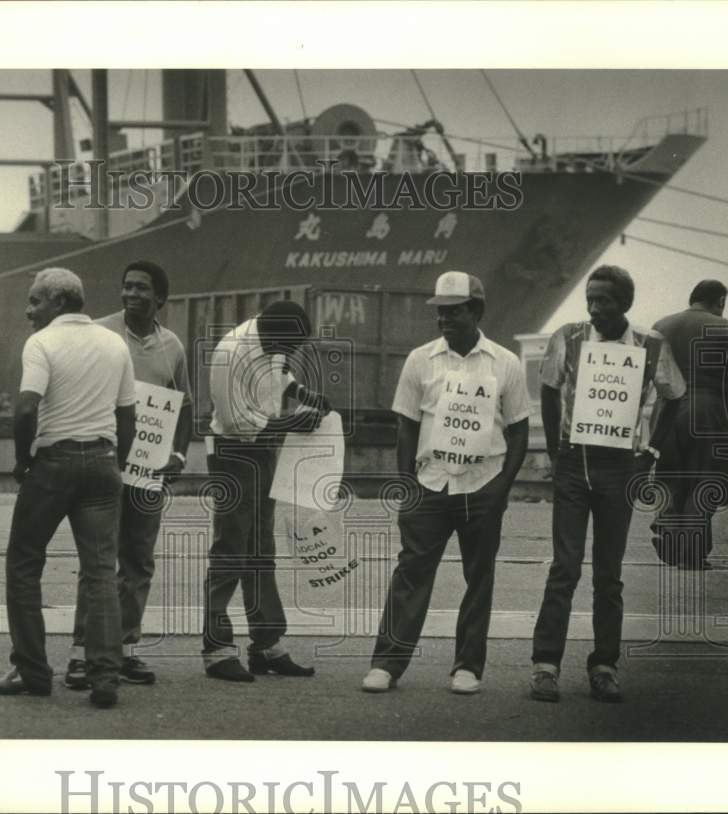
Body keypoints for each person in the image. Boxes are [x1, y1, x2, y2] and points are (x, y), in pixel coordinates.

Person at [362, 271, 530, 695]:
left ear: (476, 311)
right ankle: (387, 663)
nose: (442, 319)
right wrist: (406, 484)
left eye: (452, 312)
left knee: (479, 577)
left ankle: (467, 667)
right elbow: (405, 426)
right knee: (411, 574)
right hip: (431, 484)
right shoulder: (421, 359)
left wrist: (501, 488)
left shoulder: (505, 363)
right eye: (439, 312)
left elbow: (519, 431)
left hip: (482, 483)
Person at [0, 268, 136, 709]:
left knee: (25, 564)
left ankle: (33, 671)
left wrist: (25, 459)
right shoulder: (114, 343)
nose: (29, 311)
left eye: (34, 301)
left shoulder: (43, 343)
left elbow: (27, 406)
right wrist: (115, 462)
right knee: (102, 571)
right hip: (103, 461)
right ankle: (105, 675)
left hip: (54, 462)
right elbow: (128, 415)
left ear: (58, 301)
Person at [530, 265, 686, 704]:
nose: (595, 307)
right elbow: (547, 387)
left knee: (608, 573)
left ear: (625, 305)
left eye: (605, 300)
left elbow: (675, 396)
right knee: (564, 567)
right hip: (574, 459)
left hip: (621, 465)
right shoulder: (569, 337)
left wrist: (650, 453)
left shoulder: (651, 345)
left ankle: (604, 665)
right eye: (591, 298)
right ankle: (545, 664)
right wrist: (556, 449)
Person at [64, 260, 193, 688]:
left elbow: (184, 404)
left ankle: (123, 648)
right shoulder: (98, 333)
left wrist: (177, 452)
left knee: (138, 560)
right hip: (102, 462)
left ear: (160, 299)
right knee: (98, 560)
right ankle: (83, 653)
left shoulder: (172, 345)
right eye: (127, 287)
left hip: (148, 468)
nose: (132, 294)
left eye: (142, 289)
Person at [202, 300, 331, 682]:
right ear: (269, 335)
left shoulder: (276, 344)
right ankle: (217, 650)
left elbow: (279, 376)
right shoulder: (230, 353)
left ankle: (266, 644)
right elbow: (238, 423)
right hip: (232, 453)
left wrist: (303, 394)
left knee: (261, 548)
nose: (289, 355)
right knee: (230, 551)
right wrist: (294, 421)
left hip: (263, 450)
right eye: (287, 347)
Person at [651, 280, 728, 569]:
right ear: (719, 300)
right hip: (707, 412)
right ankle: (691, 554)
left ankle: (668, 530)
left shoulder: (661, 325)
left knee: (672, 478)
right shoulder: (722, 327)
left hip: (665, 413)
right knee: (705, 481)